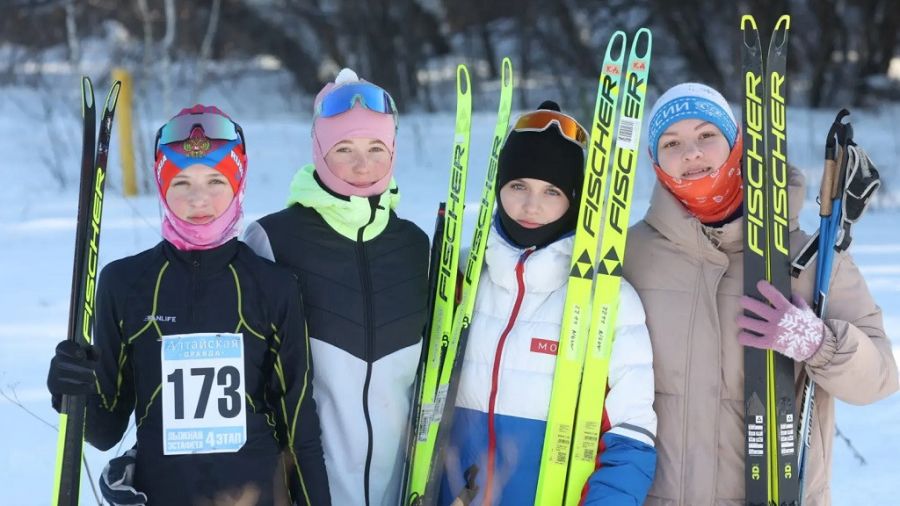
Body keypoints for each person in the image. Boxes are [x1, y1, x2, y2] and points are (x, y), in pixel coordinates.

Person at [623, 82, 899, 504]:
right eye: (671, 142)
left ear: (736, 144)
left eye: (706, 135)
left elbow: (879, 378)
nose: (691, 153)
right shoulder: (628, 256)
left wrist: (819, 345)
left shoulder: (809, 260)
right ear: (655, 161)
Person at [46, 105, 330, 506]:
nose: (200, 199)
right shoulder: (125, 284)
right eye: (181, 182)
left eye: (216, 180)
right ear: (162, 187)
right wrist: (70, 388)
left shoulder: (274, 286)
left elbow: (300, 425)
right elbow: (105, 429)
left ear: (238, 182)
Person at [438, 101, 658, 505]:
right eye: (519, 185)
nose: (531, 206)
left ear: (574, 201)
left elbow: (632, 437)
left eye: (551, 191)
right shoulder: (457, 279)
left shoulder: (607, 299)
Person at [243, 69, 430, 506]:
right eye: (344, 149)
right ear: (319, 150)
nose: (362, 165)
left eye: (376, 148)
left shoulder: (415, 247)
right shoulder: (272, 239)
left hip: (400, 493)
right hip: (304, 491)